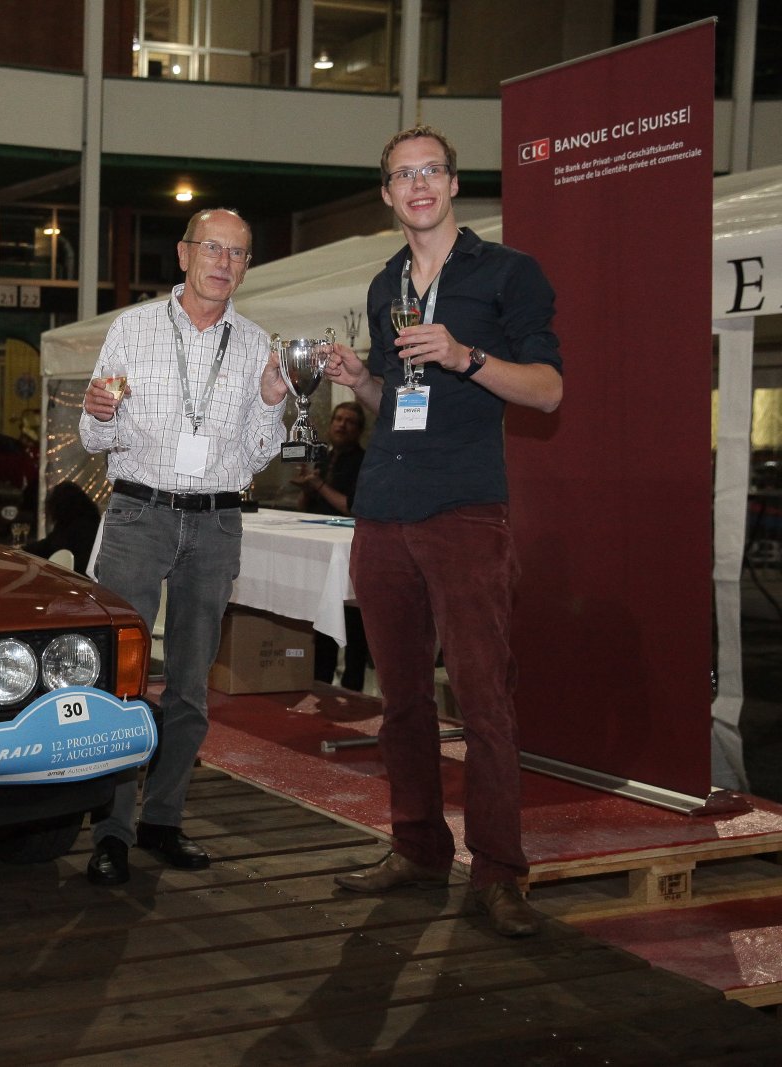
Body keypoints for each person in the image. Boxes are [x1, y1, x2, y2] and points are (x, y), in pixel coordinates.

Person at [322, 125, 563, 937]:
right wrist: (362, 378)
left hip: (464, 508)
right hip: (383, 505)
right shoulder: (385, 283)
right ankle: (418, 847)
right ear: (387, 195)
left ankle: (499, 873)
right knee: (400, 700)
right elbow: (397, 401)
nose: (418, 184)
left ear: (454, 184)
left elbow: (548, 391)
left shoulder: (509, 273)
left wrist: (465, 355)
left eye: (431, 170)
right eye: (403, 175)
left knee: (483, 699)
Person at [80, 207, 289, 886]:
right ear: (183, 253)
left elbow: (257, 454)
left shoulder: (256, 344)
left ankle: (163, 820)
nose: (224, 262)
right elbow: (93, 436)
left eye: (238, 253)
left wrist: (269, 400)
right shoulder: (133, 328)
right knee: (121, 678)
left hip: (217, 520)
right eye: (213, 248)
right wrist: (97, 412)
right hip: (139, 514)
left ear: (246, 267)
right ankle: (111, 829)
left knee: (191, 685)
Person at [289, 401, 370, 691]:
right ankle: (320, 685)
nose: (341, 425)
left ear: (359, 429)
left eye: (349, 421)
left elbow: (353, 507)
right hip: (321, 549)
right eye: (338, 419)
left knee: (353, 625)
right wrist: (307, 487)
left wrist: (319, 486)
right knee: (322, 620)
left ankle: (352, 690)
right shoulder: (323, 457)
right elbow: (305, 506)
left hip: (349, 550)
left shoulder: (364, 461)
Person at [23, 481, 102, 574]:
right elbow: (49, 543)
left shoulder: (82, 525)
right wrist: (23, 550)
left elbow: (55, 547)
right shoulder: (72, 520)